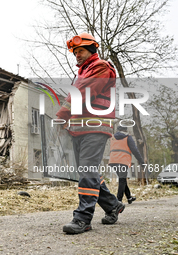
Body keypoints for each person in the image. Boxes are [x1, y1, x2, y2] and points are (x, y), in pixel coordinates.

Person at [57, 32, 125, 234]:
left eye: (81, 51)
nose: (77, 55)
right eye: (75, 52)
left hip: (95, 128)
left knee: (87, 172)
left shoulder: (101, 66)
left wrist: (62, 113)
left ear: (92, 50)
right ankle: (113, 205)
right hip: (79, 129)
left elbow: (84, 93)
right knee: (89, 173)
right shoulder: (83, 72)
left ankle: (83, 218)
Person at [109, 125, 144, 204]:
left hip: (113, 161)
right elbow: (135, 150)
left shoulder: (112, 137)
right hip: (122, 161)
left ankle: (129, 197)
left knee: (123, 179)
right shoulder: (128, 137)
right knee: (122, 180)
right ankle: (118, 201)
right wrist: (141, 162)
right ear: (126, 130)